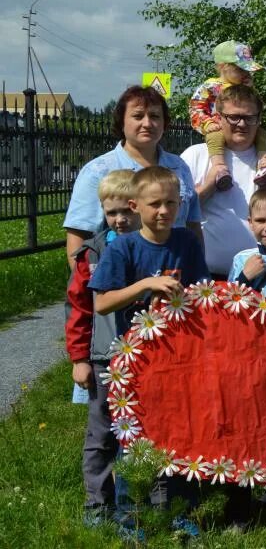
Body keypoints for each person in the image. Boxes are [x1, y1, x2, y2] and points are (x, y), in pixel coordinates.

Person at [88, 166, 207, 538]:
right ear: (134, 205)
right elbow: (103, 302)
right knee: (133, 441)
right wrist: (144, 285)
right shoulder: (121, 247)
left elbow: (201, 292)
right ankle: (131, 516)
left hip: (179, 358)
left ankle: (180, 512)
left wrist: (179, 297)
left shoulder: (187, 242)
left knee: (180, 435)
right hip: (134, 362)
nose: (164, 211)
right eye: (155, 203)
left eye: (172, 203)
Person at [64, 170, 138, 532]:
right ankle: (97, 502)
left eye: (127, 210)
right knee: (101, 433)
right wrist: (78, 358)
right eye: (112, 212)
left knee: (136, 432)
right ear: (103, 212)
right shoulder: (91, 253)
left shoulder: (150, 247)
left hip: (143, 358)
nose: (120, 219)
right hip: (102, 358)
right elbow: (78, 308)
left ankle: (134, 500)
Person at [64, 85, 202, 265]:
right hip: (122, 283)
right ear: (122, 122)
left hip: (178, 275)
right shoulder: (98, 171)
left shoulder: (179, 167)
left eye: (154, 116)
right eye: (138, 116)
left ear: (164, 123)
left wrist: (200, 274)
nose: (147, 123)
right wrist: (89, 287)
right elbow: (78, 235)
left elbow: (193, 226)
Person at [181, 85, 266, 279]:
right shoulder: (195, 156)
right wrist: (208, 186)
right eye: (234, 117)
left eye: (249, 118)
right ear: (219, 117)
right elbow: (176, 214)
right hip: (207, 277)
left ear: (259, 119)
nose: (242, 124)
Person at [188, 40, 266, 191]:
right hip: (217, 127)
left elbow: (257, 108)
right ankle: (219, 168)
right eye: (241, 69)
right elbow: (196, 107)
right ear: (223, 67)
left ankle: (265, 163)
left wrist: (250, 89)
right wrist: (207, 123)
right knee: (215, 137)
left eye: (247, 70)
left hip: (241, 130)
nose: (245, 73)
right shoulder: (211, 86)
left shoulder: (246, 86)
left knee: (263, 135)